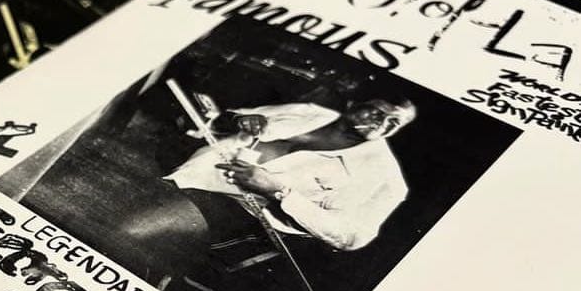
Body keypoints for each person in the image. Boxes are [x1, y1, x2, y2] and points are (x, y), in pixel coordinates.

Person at [164, 97, 415, 252]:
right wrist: (240, 120)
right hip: (189, 175)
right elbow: (225, 119)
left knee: (150, 218)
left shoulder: (386, 178)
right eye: (377, 111)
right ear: (353, 103)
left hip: (241, 217)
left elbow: (352, 237)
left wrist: (279, 192)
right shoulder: (310, 112)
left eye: (394, 122)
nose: (382, 123)